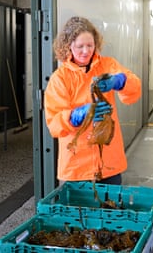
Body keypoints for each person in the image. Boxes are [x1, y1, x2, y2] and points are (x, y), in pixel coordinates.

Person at [44, 16, 141, 185]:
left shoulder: (107, 66)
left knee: (111, 210)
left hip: (109, 163)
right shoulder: (60, 78)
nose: (85, 51)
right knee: (79, 211)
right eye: (79, 46)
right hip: (76, 168)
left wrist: (120, 81)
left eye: (90, 45)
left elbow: (135, 90)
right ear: (68, 46)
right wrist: (77, 115)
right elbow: (54, 124)